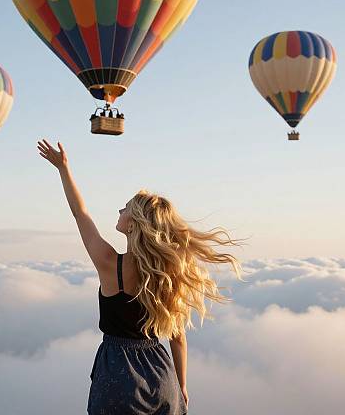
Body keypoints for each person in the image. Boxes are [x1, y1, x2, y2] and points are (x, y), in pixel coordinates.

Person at [37, 139, 245, 414]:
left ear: (134, 223)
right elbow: (178, 337)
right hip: (162, 375)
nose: (119, 211)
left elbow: (81, 214)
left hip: (117, 373)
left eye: (124, 208)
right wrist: (181, 386)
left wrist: (63, 169)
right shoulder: (167, 273)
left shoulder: (110, 264)